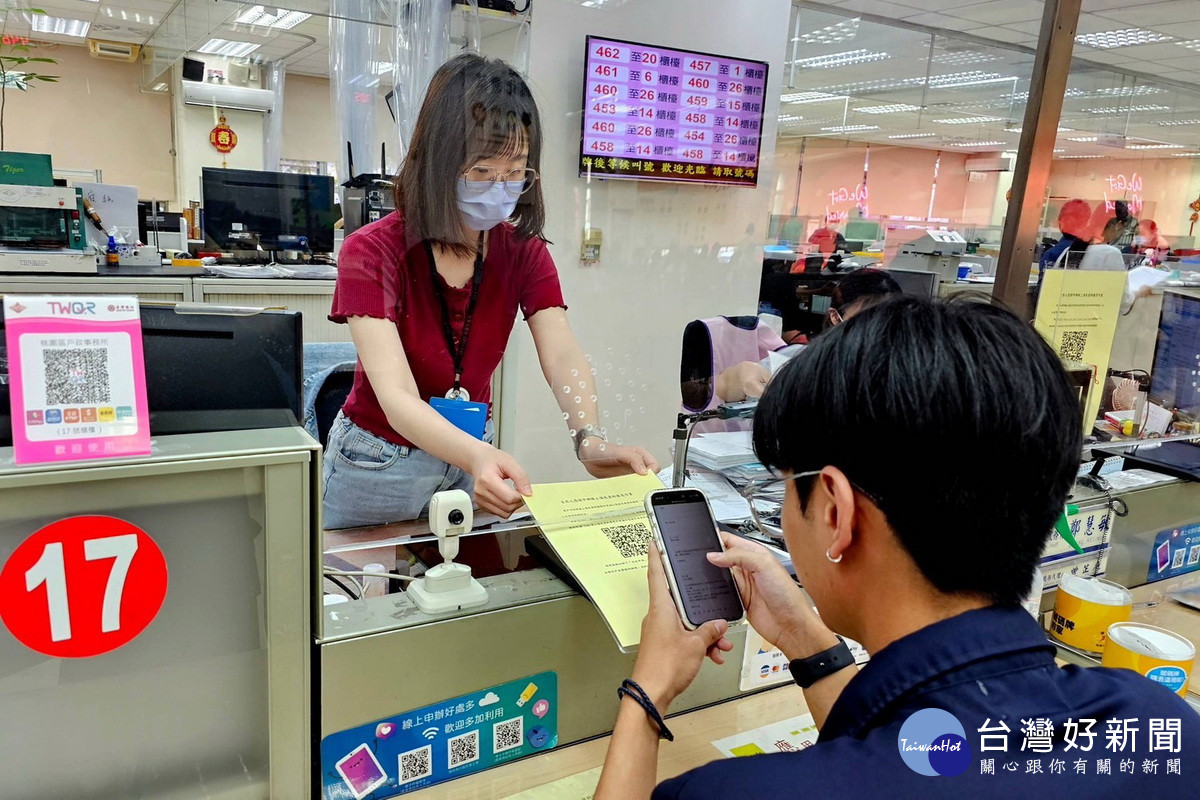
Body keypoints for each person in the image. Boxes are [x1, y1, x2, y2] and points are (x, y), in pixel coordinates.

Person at [596, 295, 1200, 799]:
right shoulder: (1161, 729)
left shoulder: (736, 794)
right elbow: (927, 754)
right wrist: (806, 639)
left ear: (834, 512)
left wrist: (647, 691)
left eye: (785, 490)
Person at [324, 54, 656, 531]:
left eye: (516, 171)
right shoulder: (372, 251)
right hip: (377, 463)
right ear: (437, 163)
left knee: (464, 597)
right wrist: (479, 455)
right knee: (364, 596)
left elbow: (561, 352)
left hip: (470, 457)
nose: (499, 188)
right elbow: (395, 396)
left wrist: (589, 438)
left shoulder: (521, 250)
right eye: (481, 171)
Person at [712, 268, 901, 403]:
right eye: (867, 319)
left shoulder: (906, 372)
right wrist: (741, 375)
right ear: (835, 316)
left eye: (890, 320)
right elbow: (722, 388)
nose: (879, 330)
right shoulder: (802, 361)